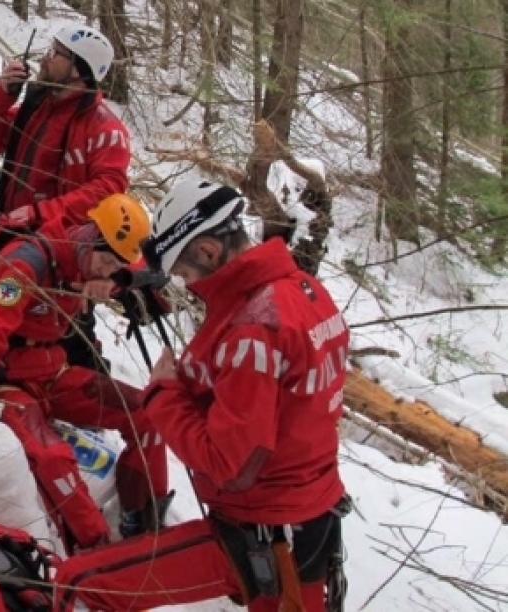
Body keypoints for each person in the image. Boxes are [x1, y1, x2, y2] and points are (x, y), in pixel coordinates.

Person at [51, 180, 351, 612]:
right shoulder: (303, 291)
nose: (188, 286)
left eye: (187, 274)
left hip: (262, 533)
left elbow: (229, 465)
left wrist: (164, 394)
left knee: (78, 582)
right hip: (305, 521)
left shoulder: (253, 329)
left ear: (209, 250)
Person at [0, 193, 171, 554]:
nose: (106, 269)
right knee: (54, 460)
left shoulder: (90, 261)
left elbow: (140, 269)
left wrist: (117, 282)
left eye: (114, 264)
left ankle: (145, 518)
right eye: (105, 261)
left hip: (54, 373)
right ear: (90, 236)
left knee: (148, 413)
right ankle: (98, 550)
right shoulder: (25, 267)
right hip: (9, 383)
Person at [0, 24, 132, 372]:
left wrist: (40, 212)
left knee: (67, 343)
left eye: (56, 53)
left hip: (61, 261)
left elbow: (109, 190)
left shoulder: (104, 130)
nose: (45, 58)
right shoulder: (37, 106)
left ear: (79, 70)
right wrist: (1, 95)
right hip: (11, 240)